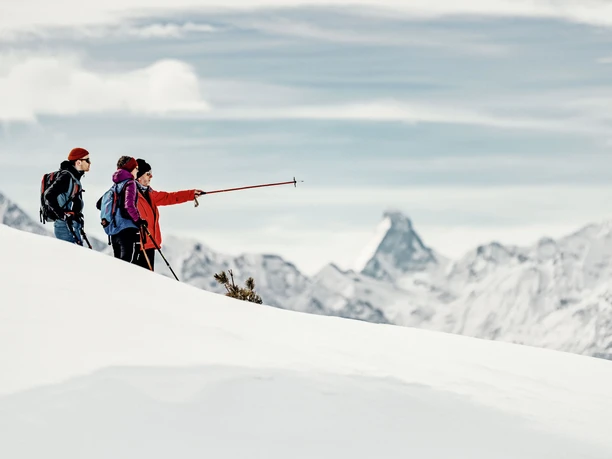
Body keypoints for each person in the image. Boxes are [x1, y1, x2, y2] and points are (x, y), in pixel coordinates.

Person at [133, 158, 204, 271]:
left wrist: (191, 194)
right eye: (148, 174)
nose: (151, 176)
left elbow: (170, 197)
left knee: (146, 278)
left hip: (149, 244)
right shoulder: (131, 195)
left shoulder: (150, 194)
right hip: (138, 245)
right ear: (139, 176)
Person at [44, 147, 91, 245]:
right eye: (87, 160)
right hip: (64, 226)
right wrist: (62, 215)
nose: (90, 163)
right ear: (78, 162)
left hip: (71, 225)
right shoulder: (66, 177)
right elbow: (49, 195)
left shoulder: (74, 178)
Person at [110, 156, 146, 263]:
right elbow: (129, 205)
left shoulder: (116, 184)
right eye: (136, 168)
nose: (137, 171)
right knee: (126, 265)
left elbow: (99, 204)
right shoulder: (130, 183)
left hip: (114, 231)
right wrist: (139, 220)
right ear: (130, 169)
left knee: (118, 264)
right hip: (126, 231)